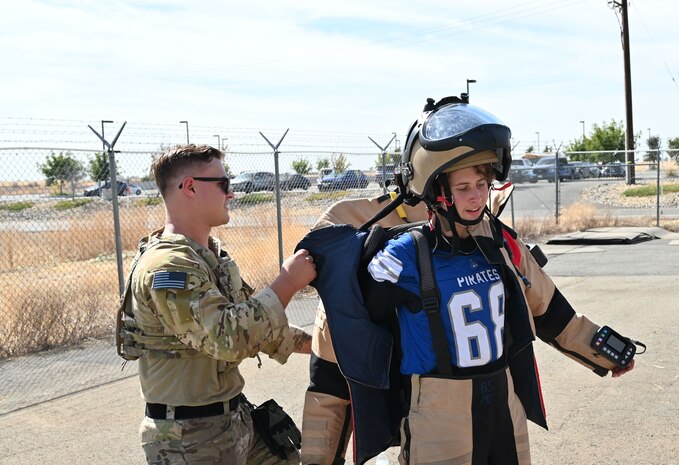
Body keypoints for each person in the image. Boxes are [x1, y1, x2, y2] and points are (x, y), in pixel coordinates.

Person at [363, 96, 635, 465]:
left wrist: (603, 352)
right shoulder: (404, 256)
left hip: (503, 406)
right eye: (462, 188)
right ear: (436, 190)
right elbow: (355, 329)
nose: (476, 197)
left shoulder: (499, 244)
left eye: (482, 183)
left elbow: (550, 311)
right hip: (439, 420)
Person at [116, 144, 316, 465]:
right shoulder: (169, 266)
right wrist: (288, 282)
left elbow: (255, 325)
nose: (232, 194)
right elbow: (228, 339)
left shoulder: (208, 257)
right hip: (189, 439)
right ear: (190, 187)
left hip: (233, 420)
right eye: (224, 184)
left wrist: (319, 345)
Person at [301, 192, 429, 465]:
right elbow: (311, 259)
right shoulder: (345, 213)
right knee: (319, 451)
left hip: (404, 353)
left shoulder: (462, 208)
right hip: (337, 354)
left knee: (422, 441)